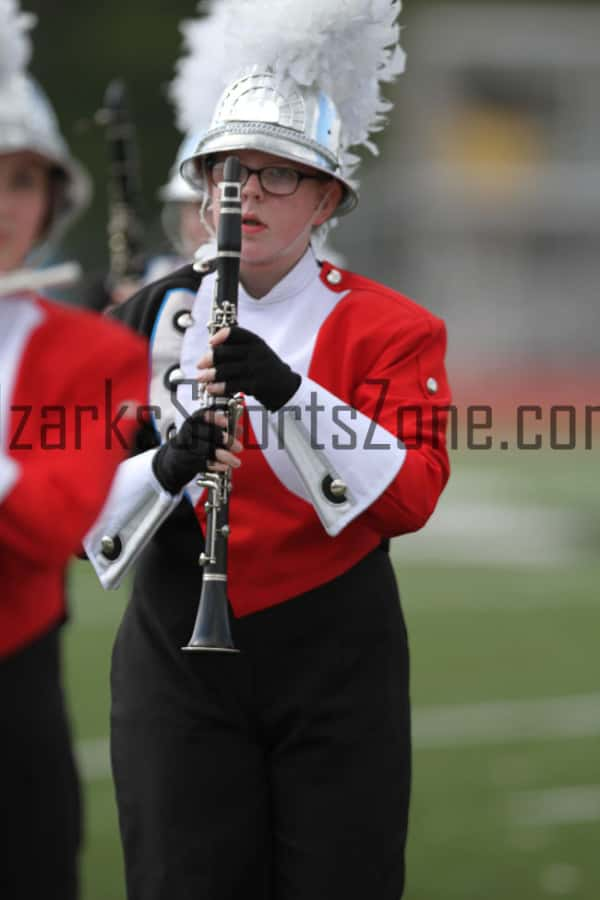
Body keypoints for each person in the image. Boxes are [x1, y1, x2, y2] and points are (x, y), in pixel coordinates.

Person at [84, 1, 451, 898]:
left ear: (327, 197)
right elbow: (72, 504)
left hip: (335, 655)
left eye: (275, 177)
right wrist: (168, 467)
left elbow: (411, 496)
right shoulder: (144, 317)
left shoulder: (391, 328)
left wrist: (289, 392)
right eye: (225, 173)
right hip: (176, 654)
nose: (239, 197)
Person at [0, 3, 148, 898]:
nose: (2, 205)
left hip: (13, 685)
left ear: (54, 199)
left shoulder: (94, 354)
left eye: (21, 181)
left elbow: (52, 524)